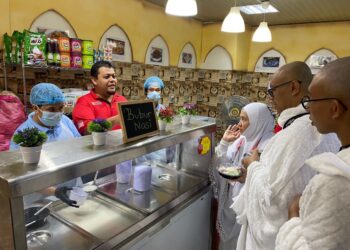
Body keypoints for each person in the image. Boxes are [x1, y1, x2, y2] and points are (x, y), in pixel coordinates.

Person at [231, 61, 340, 249]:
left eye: (272, 91)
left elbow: (273, 205)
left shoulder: (299, 133)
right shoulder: (321, 129)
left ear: (294, 87)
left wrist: (254, 166)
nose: (270, 98)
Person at [276, 57, 350, 249]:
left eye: (311, 100)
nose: (307, 107)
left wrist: (293, 217)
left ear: (334, 108)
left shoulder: (335, 182)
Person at [212, 102, 275, 250]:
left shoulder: (270, 144)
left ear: (258, 122)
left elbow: (271, 183)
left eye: (244, 119)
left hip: (249, 209)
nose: (239, 124)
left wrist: (249, 176)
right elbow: (221, 165)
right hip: (231, 201)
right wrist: (224, 143)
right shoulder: (242, 139)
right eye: (239, 119)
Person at [10, 83, 81, 207]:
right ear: (35, 108)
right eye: (51, 109)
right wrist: (55, 191)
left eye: (60, 108)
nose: (58, 113)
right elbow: (20, 177)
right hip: (39, 200)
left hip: (72, 190)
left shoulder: (65, 122)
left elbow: (80, 147)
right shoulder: (23, 135)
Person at [72, 60, 127, 135]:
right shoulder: (83, 102)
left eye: (114, 76)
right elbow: (87, 131)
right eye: (107, 77)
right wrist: (116, 120)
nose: (112, 80)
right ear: (94, 80)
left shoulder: (122, 99)